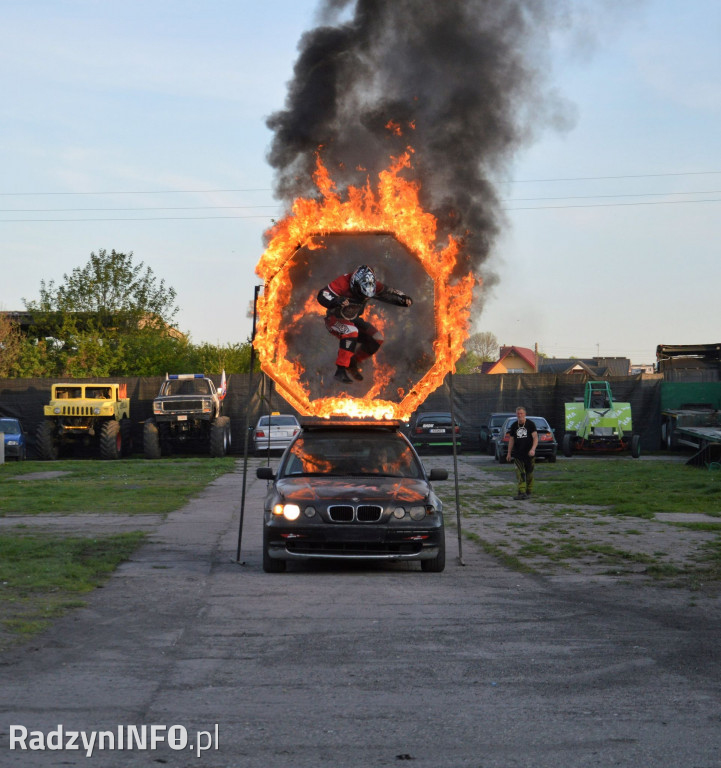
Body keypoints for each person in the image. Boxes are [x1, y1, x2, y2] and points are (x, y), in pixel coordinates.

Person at [317, 264, 413, 383]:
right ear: (354, 284)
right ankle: (340, 371)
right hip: (334, 319)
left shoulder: (373, 285)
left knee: (377, 338)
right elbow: (322, 295)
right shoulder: (343, 282)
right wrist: (336, 300)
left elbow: (388, 291)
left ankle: (352, 363)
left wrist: (403, 298)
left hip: (352, 319)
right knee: (351, 331)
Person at [506, 406, 538, 500]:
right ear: (516, 414)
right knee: (520, 473)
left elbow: (535, 438)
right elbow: (511, 440)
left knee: (529, 473)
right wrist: (509, 453)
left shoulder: (530, 424)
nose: (520, 415)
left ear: (525, 414)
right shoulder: (514, 426)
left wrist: (533, 449)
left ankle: (529, 491)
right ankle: (521, 492)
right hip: (518, 454)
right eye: (518, 413)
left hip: (529, 454)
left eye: (521, 413)